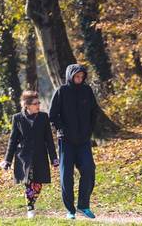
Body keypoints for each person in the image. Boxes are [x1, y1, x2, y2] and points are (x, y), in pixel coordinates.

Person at [49, 64, 99, 220]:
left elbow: (94, 111)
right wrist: (61, 129)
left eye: (81, 76)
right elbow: (52, 115)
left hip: (83, 141)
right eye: (76, 76)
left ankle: (83, 205)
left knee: (89, 170)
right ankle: (70, 210)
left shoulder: (87, 91)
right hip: (66, 142)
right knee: (66, 176)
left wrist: (89, 130)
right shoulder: (61, 91)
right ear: (70, 76)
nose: (79, 79)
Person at [0, 91, 59, 219]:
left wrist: (54, 158)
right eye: (35, 103)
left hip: (40, 155)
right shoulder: (17, 118)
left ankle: (32, 202)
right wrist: (7, 160)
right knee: (28, 181)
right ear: (27, 105)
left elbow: (48, 139)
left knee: (38, 183)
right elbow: (13, 139)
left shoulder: (43, 117)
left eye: (39, 103)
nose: (38, 105)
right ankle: (30, 208)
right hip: (24, 156)